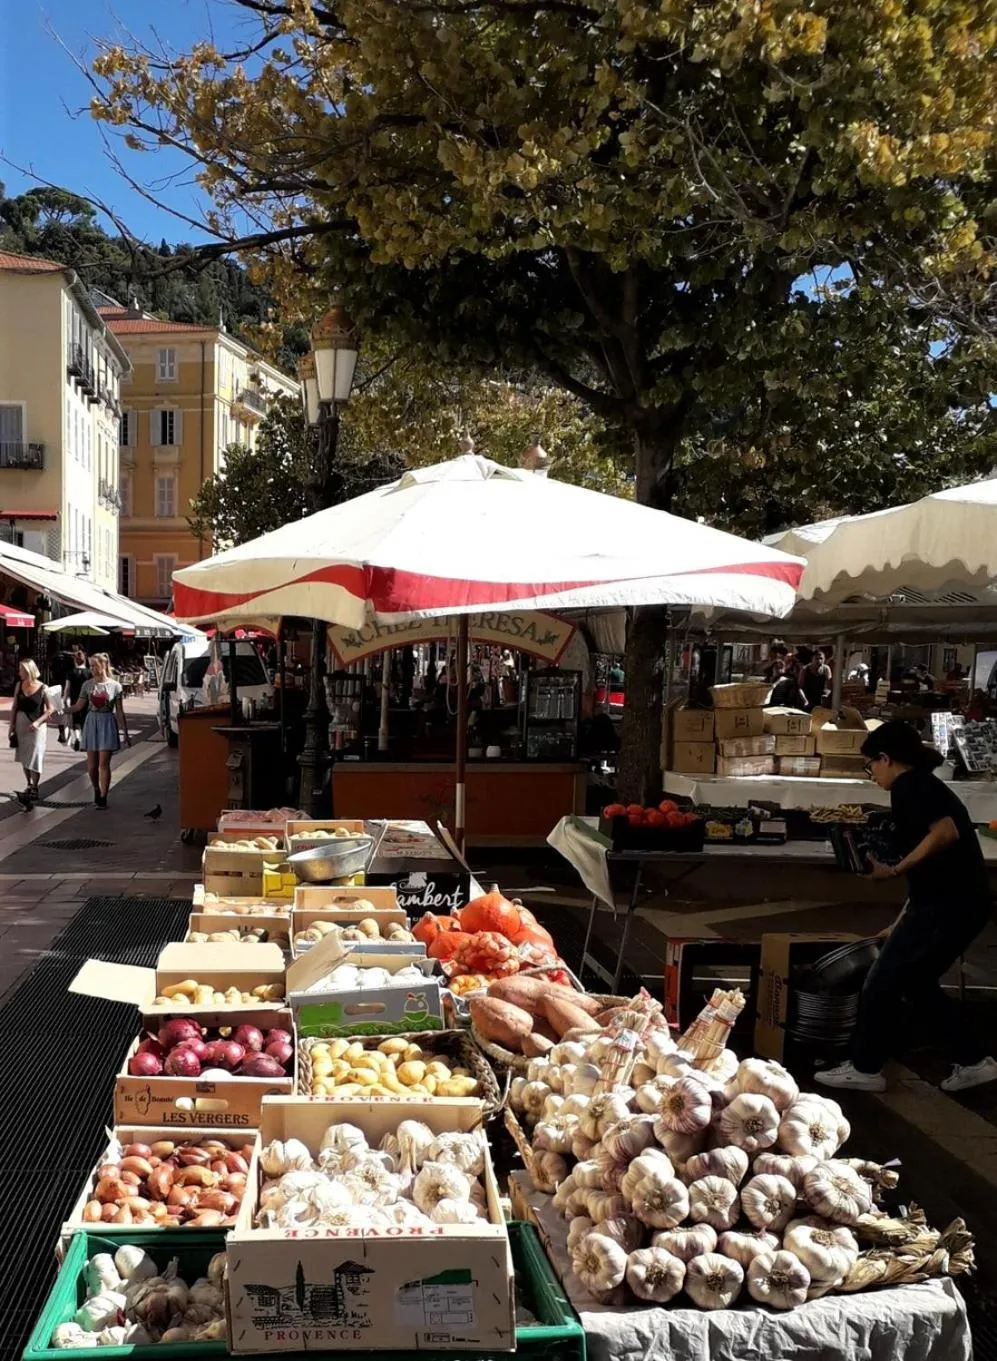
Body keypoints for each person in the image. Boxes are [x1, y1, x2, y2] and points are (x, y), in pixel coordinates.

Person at [816, 719, 997, 1095]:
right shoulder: (923, 786)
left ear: (886, 758)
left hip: (949, 904)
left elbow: (945, 832)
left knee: (883, 980)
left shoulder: (910, 786)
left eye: (871, 766)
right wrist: (900, 922)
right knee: (913, 981)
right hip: (953, 901)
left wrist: (893, 870)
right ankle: (973, 1060)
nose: (871, 775)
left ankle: (866, 1069)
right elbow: (933, 869)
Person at [72, 653, 131, 809]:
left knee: (103, 764)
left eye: (94, 665)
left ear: (103, 665)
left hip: (107, 722)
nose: (91, 669)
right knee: (91, 766)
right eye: (90, 665)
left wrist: (125, 733)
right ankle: (96, 789)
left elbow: (119, 711)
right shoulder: (87, 685)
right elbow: (78, 706)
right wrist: (60, 710)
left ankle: (104, 796)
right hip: (92, 722)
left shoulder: (115, 686)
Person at [8, 659, 53, 804]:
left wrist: (38, 722)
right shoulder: (18, 685)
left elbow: (50, 709)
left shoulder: (43, 687)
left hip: (37, 726)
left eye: (21, 669)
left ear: (28, 670)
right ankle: (28, 784)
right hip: (21, 724)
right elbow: (15, 706)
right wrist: (11, 727)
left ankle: (35, 787)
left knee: (35, 755)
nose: (19, 672)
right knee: (24, 755)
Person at [64, 647, 90, 751]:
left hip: (75, 699)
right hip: (87, 700)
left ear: (75, 660)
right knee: (85, 720)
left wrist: (65, 699)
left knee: (75, 721)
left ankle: (78, 738)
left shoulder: (71, 672)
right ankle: (84, 742)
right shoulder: (89, 673)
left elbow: (67, 687)